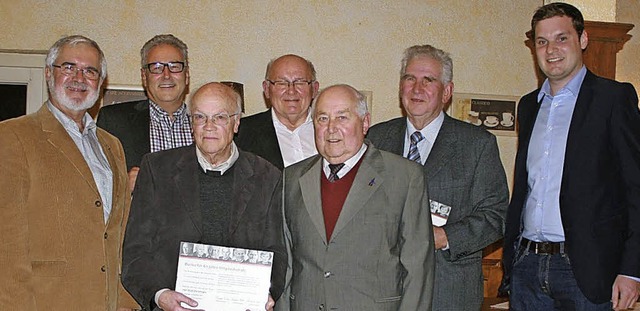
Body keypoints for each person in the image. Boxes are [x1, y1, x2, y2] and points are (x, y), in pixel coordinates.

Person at [501, 3, 640, 311]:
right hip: (527, 266)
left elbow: (636, 189)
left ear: (583, 40)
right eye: (542, 41)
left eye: (561, 38)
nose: (551, 49)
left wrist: (632, 270)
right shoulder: (528, 106)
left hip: (586, 270)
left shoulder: (613, 99)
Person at [0, 35, 138, 310]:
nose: (79, 77)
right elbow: (7, 244)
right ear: (49, 73)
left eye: (90, 71)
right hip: (45, 302)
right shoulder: (12, 136)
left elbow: (116, 234)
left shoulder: (112, 146)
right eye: (69, 67)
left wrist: (124, 301)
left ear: (100, 83)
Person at [367, 44, 509, 310]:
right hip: (382, 291)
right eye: (410, 78)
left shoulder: (477, 145)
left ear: (447, 92)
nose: (416, 88)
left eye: (428, 80)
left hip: (448, 290)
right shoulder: (375, 139)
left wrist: (444, 236)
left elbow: (496, 216)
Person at [121, 82, 286, 311]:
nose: (209, 126)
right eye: (200, 117)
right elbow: (135, 251)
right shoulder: (157, 169)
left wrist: (266, 293)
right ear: (191, 124)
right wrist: (159, 295)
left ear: (236, 123)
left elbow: (277, 251)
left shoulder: (267, 176)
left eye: (219, 117)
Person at [278, 84, 435, 311]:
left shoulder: (405, 177)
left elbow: (418, 268)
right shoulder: (292, 178)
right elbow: (287, 264)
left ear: (365, 123)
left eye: (342, 117)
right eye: (322, 119)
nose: (331, 128)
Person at [97, 34, 193, 191]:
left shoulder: (207, 126)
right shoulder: (114, 122)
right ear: (144, 76)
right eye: (156, 68)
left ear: (186, 74)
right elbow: (94, 188)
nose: (166, 75)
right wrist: (123, 189)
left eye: (174, 66)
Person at [235, 54, 319, 170]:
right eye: (281, 83)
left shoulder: (333, 129)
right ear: (267, 89)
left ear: (314, 89)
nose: (291, 91)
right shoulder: (239, 134)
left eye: (300, 82)